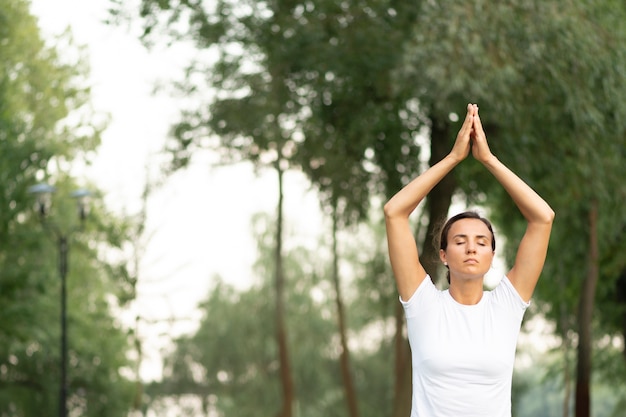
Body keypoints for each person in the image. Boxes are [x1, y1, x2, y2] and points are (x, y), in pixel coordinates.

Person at [384, 103, 555, 417]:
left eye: (481, 242)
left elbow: (543, 218)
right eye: (460, 241)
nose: (472, 248)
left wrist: (488, 159)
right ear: (444, 255)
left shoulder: (506, 306)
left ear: (492, 255)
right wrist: (453, 158)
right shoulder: (423, 304)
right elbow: (395, 213)